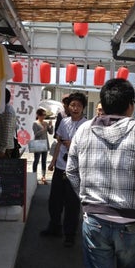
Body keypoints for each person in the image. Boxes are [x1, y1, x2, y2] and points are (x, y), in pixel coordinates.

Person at [66, 79, 135, 268]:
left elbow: (71, 171)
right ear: (130, 105)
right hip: (131, 220)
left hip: (94, 219)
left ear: (103, 102)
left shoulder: (83, 130)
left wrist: (85, 197)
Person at [41, 92, 87, 248]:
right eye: (73, 105)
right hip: (60, 167)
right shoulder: (64, 122)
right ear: (68, 106)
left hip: (76, 170)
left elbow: (88, 148)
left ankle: (70, 234)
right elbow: (59, 144)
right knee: (54, 200)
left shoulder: (87, 126)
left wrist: (72, 145)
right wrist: (52, 162)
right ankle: (54, 226)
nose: (75, 108)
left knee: (72, 204)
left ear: (83, 108)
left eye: (79, 106)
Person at [0, 88, 17, 158]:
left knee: (0, 168)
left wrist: (2, 150)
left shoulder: (7, 111)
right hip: (0, 147)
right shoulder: (4, 109)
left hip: (2, 149)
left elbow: (7, 132)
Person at [32, 108, 53, 184]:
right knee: (36, 161)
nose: (44, 116)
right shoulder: (35, 123)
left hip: (45, 144)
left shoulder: (45, 123)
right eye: (42, 115)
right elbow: (36, 134)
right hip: (37, 144)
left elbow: (51, 133)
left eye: (45, 115)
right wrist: (43, 130)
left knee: (44, 161)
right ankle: (34, 176)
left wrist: (51, 126)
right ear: (38, 115)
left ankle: (43, 177)